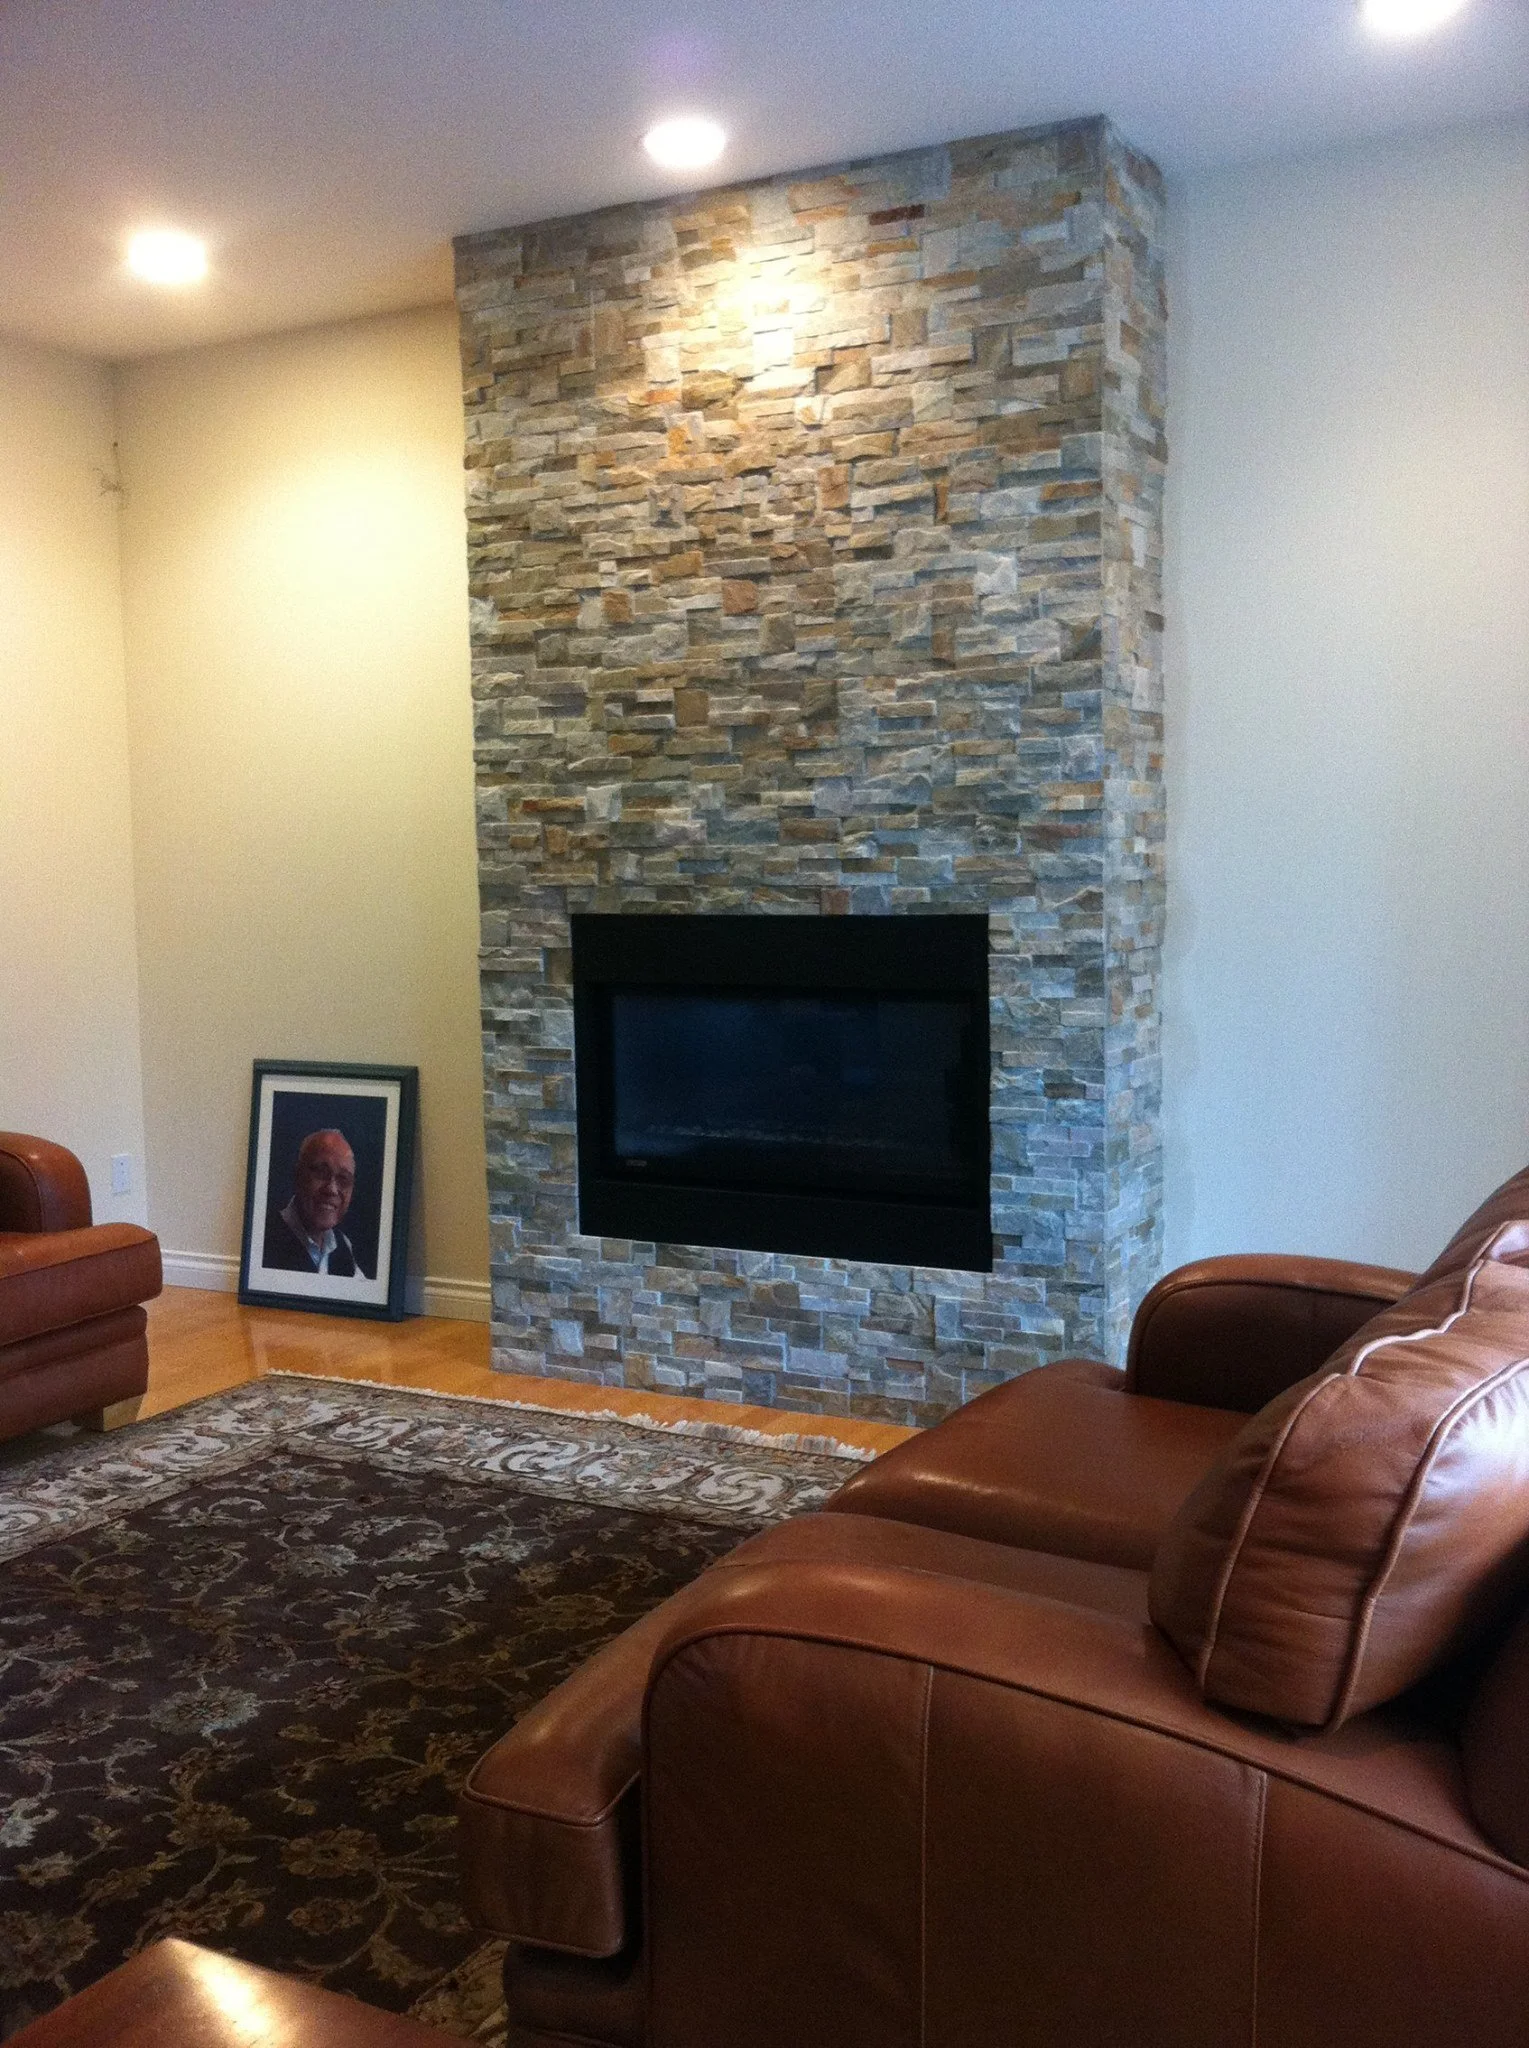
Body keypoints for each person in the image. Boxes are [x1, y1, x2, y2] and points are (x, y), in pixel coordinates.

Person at [262, 1127, 372, 1278]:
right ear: (298, 1175)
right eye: (321, 1172)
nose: (332, 1189)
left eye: (343, 1179)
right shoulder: (264, 1240)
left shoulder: (343, 1246)